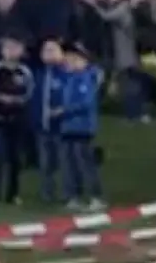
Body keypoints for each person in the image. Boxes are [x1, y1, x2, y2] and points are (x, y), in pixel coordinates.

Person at [0, 34, 33, 206]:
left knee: (15, 158)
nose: (11, 51)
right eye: (7, 47)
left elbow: (29, 93)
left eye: (15, 47)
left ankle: (13, 194)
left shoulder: (24, 72)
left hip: (17, 119)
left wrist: (19, 101)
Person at [55, 42, 104, 209]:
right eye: (68, 58)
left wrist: (64, 110)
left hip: (82, 128)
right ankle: (73, 196)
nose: (70, 62)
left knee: (85, 164)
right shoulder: (68, 79)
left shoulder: (86, 78)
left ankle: (95, 197)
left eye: (74, 59)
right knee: (69, 165)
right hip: (67, 128)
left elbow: (86, 103)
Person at [33, 39, 70, 204]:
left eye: (52, 50)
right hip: (42, 127)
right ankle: (46, 194)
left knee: (63, 162)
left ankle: (66, 193)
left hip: (61, 126)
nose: (49, 53)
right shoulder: (39, 75)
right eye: (45, 50)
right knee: (45, 163)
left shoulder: (65, 74)